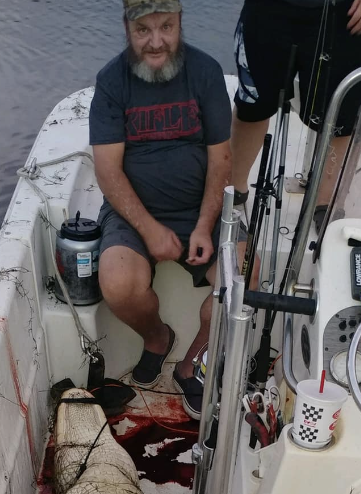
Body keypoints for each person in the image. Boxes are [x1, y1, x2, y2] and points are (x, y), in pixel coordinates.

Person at [89, 0, 244, 420]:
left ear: (180, 24)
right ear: (126, 28)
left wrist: (205, 224)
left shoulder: (206, 72)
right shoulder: (111, 81)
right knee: (117, 284)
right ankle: (158, 338)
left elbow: (221, 161)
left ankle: (192, 364)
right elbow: (107, 171)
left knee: (244, 278)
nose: (156, 42)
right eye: (143, 31)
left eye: (167, 27)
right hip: (132, 213)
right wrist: (149, 228)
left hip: (200, 208)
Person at [231, 0, 361, 228]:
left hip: (349, 11)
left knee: (341, 114)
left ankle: (322, 203)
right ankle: (233, 190)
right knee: (253, 103)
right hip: (267, 10)